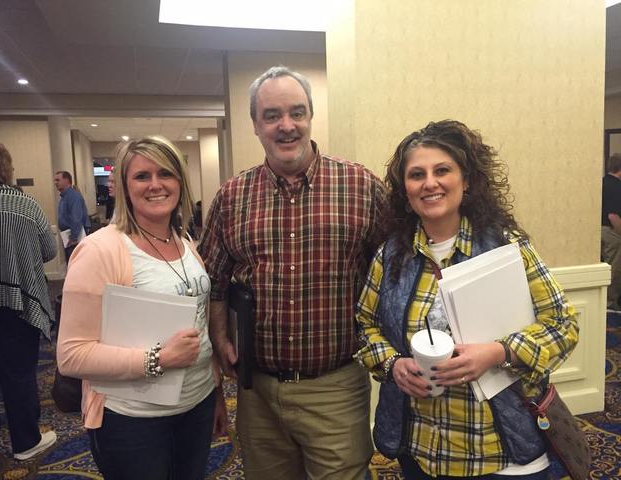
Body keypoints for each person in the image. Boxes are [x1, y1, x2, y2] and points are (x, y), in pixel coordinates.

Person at [356, 120, 579, 480]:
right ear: (405, 190)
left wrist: (499, 352)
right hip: (422, 449)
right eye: (417, 174)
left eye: (442, 170)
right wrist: (393, 364)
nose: (430, 183)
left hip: (500, 451)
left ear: (467, 180)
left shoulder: (505, 247)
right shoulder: (391, 255)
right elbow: (365, 326)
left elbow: (564, 325)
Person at [198, 65, 387, 480]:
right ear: (255, 124)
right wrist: (220, 338)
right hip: (257, 393)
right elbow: (214, 282)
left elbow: (394, 274)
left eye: (297, 112)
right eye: (272, 115)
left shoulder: (361, 187)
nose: (287, 126)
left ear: (310, 116)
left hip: (336, 388)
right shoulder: (231, 197)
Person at [56, 135, 227, 480]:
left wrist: (217, 392)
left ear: (180, 181)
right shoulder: (100, 250)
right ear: (123, 186)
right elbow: (71, 355)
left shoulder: (185, 243)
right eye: (142, 176)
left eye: (165, 173)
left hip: (197, 406)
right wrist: (158, 359)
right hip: (132, 421)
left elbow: (199, 327)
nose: (155, 185)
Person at [0, 139, 58, 464]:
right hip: (20, 302)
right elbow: (49, 251)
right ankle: (26, 441)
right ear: (8, 169)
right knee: (19, 373)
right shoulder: (27, 205)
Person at [54, 170, 90, 261]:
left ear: (67, 180)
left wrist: (74, 238)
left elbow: (76, 218)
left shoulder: (73, 196)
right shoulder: (65, 197)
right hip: (69, 236)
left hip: (75, 238)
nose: (55, 183)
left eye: (58, 180)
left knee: (75, 263)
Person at [601, 152, 621, 310]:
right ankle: (609, 303)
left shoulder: (602, 182)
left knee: (604, 265)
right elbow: (613, 215)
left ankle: (603, 301)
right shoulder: (617, 187)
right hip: (611, 231)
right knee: (614, 267)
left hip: (598, 230)